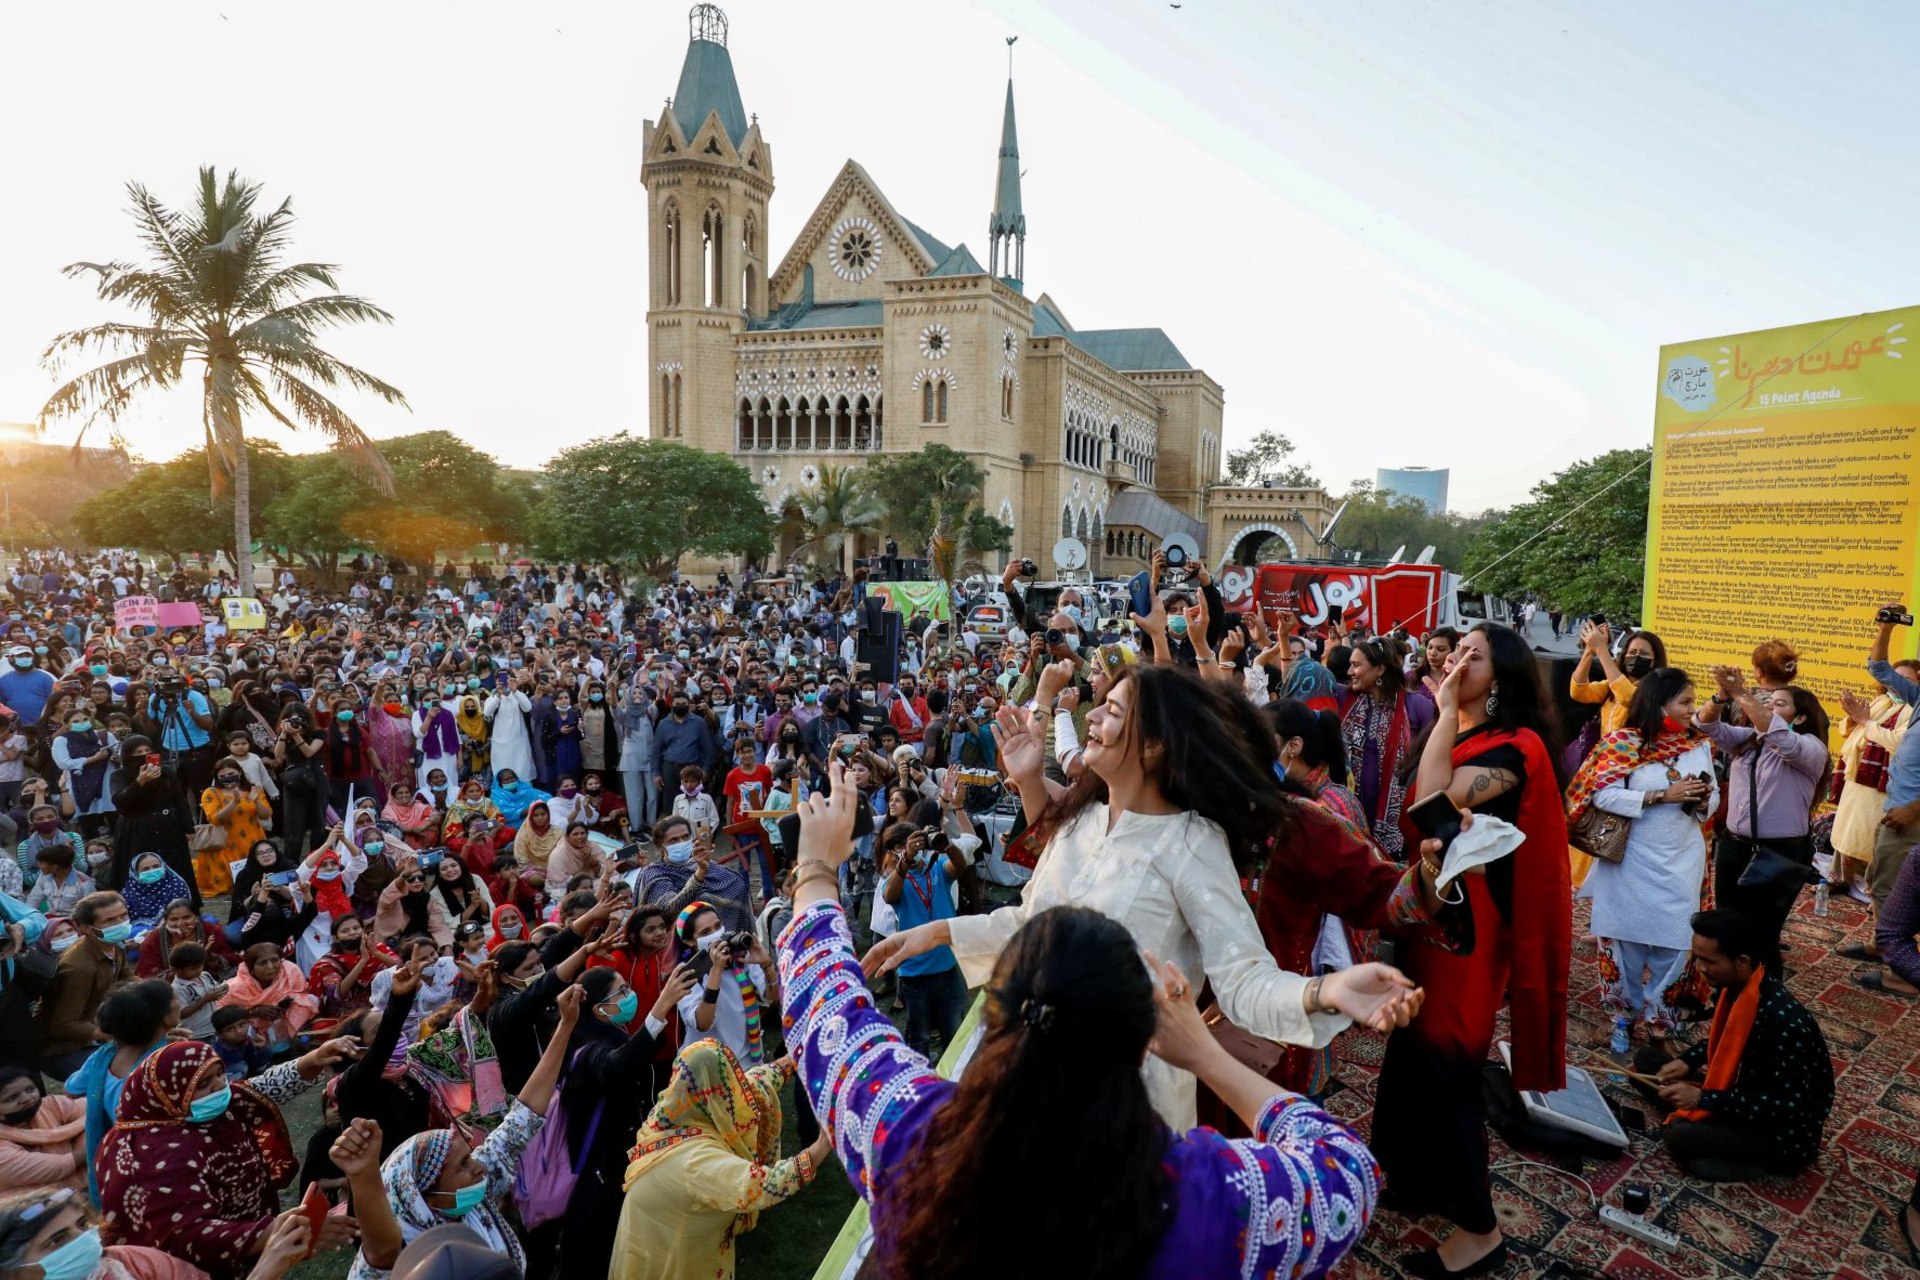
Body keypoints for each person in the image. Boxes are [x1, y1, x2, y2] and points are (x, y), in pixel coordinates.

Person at [774, 777, 1381, 1280]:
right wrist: (1208, 1059)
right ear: (1147, 1035)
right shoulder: (1203, 1201)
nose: (1100, 713)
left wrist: (815, 868)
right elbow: (1346, 1171)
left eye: (1120, 704)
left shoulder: (911, 1135)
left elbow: (824, 1005)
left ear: (994, 1011)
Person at [869, 667, 1422, 1129]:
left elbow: (1243, 979)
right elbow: (1033, 922)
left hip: (1128, 1098)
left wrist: (1329, 989)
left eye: (1111, 710)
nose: (1091, 716)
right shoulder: (1079, 821)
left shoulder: (1191, 840)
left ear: (1155, 744)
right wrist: (938, 932)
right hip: (1032, 1065)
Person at [1371, 623, 1570, 1279]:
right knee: (1409, 1045)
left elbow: (1428, 807)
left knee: (1448, 1061)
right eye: (1456, 652)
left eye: (1473, 655)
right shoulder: (1460, 730)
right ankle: (1411, 1181)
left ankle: (1480, 1231)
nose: (1457, 660)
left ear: (1505, 672)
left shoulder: (1516, 748)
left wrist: (1448, 706)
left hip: (1474, 924)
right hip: (1435, 903)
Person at [342, 987, 579, 1280]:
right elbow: (380, 1252)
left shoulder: (476, 1191)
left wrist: (565, 1026)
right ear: (422, 1198)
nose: (480, 1164)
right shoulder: (405, 1257)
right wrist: (362, 1174)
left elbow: (524, 1114)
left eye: (468, 1157)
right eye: (463, 1166)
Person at [96, 1038, 357, 1280]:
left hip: (243, 1240)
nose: (220, 1085)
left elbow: (263, 1086)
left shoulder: (201, 1109)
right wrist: (280, 1232)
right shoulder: (157, 1155)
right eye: (204, 1083)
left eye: (219, 1073)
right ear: (167, 1094)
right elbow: (186, 1237)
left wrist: (312, 1059)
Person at [1566, 669, 1716, 1055]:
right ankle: (1621, 1019)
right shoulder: (1623, 742)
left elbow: (1712, 798)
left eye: (1691, 701)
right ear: (1658, 703)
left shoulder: (1697, 744)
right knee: (1622, 944)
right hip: (1630, 861)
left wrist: (1701, 800)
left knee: (1677, 946)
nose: (1691, 709)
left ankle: (1660, 1026)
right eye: (1684, 701)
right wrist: (1662, 795)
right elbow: (1603, 797)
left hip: (1682, 858)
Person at [1638, 909, 1834, 1182]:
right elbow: (1731, 1040)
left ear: (1741, 961)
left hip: (1777, 1129)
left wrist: (1702, 1099)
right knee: (1646, 1063)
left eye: (1708, 961)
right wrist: (1688, 1061)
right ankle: (1704, 1127)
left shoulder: (1785, 1024)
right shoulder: (1738, 984)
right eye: (1697, 958)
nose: (1699, 969)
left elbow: (1785, 1106)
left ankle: (1758, 1160)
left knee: (1679, 1135)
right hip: (1739, 1091)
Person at [610, 1040, 830, 1280]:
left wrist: (796, 1056)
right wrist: (823, 1144)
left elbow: (759, 1080)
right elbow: (762, 1186)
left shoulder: (676, 1109)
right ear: (716, 1090)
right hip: (675, 1253)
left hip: (651, 1232)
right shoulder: (694, 1161)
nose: (736, 1087)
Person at [549, 960, 697, 1277]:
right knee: (599, 1241)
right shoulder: (586, 1047)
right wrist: (660, 1008)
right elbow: (617, 1064)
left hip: (614, 1154)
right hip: (598, 1165)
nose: (629, 996)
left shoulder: (606, 1030)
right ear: (599, 1009)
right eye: (621, 991)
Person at [1695, 668, 1829, 973]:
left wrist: (1742, 692)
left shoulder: (1809, 748)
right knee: (1726, 925)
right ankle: (1729, 994)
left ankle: (1764, 1000)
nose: (1769, 705)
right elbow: (1706, 723)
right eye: (1769, 701)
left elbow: (1777, 732)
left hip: (1779, 852)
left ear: (1801, 717)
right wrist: (1721, 696)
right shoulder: (1750, 739)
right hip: (1734, 847)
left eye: (1780, 703)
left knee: (1762, 933)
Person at [1338, 636, 1435, 861]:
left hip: (1396, 816)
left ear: (1380, 669)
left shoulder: (1418, 706)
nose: (1350, 671)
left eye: (1356, 665)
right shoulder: (1344, 697)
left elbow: (1429, 759)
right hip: (1351, 809)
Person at [1832, 661, 1918, 906]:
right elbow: (1847, 732)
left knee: (1877, 844)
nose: (1897, 684)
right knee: (1848, 834)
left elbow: (1897, 742)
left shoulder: (1915, 711)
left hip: (1887, 784)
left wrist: (1864, 722)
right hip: (1858, 778)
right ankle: (1844, 879)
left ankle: (1875, 895)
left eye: (1906, 680)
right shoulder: (1881, 702)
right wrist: (1853, 718)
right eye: (1894, 678)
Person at [878, 824, 967, 1059]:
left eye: (915, 842)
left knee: (955, 1034)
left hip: (948, 969)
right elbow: (890, 896)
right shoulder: (894, 878)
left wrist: (946, 844)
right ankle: (920, 1088)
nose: (911, 848)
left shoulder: (936, 867)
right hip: (914, 975)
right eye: (902, 846)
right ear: (895, 851)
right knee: (919, 1041)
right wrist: (905, 860)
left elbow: (960, 866)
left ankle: (953, 1085)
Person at [36, 892, 133, 1080]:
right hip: (64, 1050)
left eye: (123, 916)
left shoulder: (112, 944)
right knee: (121, 1080)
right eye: (110, 920)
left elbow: (125, 977)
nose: (120, 924)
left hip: (96, 1030)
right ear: (85, 928)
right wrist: (112, 1035)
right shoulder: (78, 968)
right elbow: (63, 1025)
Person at [674, 902, 774, 1068]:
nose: (716, 934)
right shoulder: (687, 974)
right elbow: (703, 1024)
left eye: (718, 926)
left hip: (747, 1062)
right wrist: (716, 972)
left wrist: (766, 964)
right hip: (709, 1069)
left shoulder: (741, 958)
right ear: (690, 941)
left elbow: (772, 996)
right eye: (706, 932)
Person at [0, 1066, 87, 1196]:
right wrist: (99, 1144)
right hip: (33, 1208)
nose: (27, 1098)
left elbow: (94, 1110)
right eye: (12, 1098)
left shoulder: (48, 1106)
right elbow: (58, 1167)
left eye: (30, 1089)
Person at [220, 942, 319, 1052]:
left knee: (311, 1000)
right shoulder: (236, 987)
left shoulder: (289, 970)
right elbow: (222, 1015)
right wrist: (253, 1012)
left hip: (281, 1017)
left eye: (275, 960)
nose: (270, 967)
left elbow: (301, 992)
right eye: (263, 963)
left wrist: (284, 1003)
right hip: (253, 1023)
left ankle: (295, 1039)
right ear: (251, 968)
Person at [194, 765, 271, 898]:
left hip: (252, 838)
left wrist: (256, 801)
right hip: (224, 842)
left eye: (231, 773)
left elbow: (266, 815)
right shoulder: (211, 793)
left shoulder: (252, 789)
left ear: (240, 773)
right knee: (229, 883)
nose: (227, 777)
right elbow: (215, 819)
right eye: (222, 776)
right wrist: (234, 802)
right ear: (217, 778)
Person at [135, 898, 235, 979]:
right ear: (166, 921)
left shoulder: (210, 932)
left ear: (196, 917)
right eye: (174, 919)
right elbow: (147, 975)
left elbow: (230, 963)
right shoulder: (153, 939)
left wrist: (210, 957)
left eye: (187, 917)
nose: (180, 924)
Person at [118, 855, 193, 939]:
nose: (152, 871)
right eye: (146, 869)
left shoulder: (176, 885)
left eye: (156, 866)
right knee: (135, 933)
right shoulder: (128, 892)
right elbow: (122, 920)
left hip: (173, 922)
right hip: (138, 927)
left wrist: (156, 933)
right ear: (135, 872)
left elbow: (178, 912)